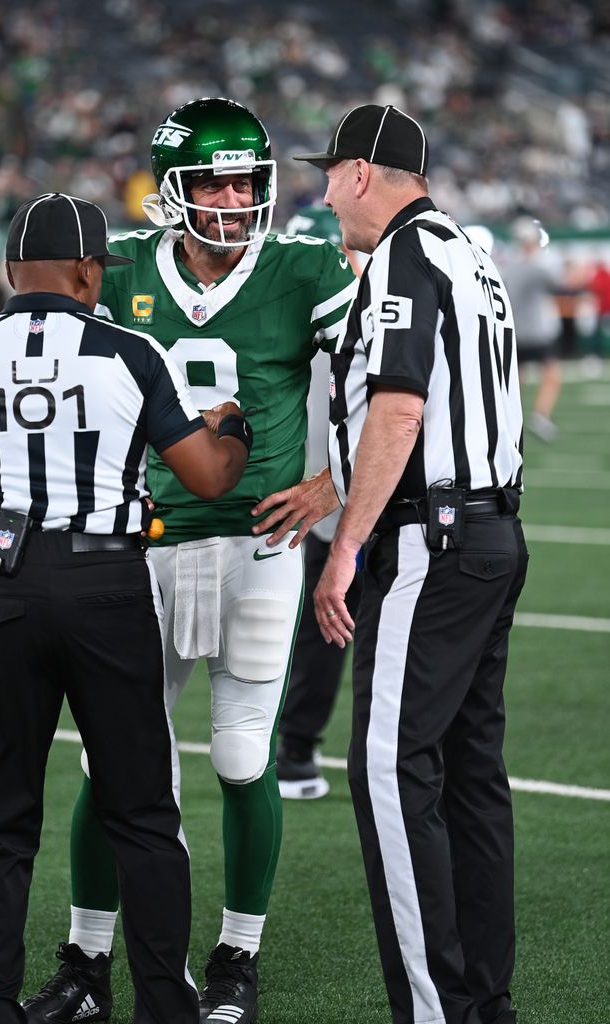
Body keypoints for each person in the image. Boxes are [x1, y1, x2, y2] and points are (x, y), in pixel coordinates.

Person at [23, 98, 357, 1024]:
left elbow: (383, 373)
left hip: (260, 543)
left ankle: (236, 957)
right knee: (110, 763)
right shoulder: (119, 265)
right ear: (172, 187)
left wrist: (331, 482)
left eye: (246, 179)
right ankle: (89, 959)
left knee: (245, 756)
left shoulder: (301, 268)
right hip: (141, 549)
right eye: (212, 178)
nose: (231, 195)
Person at [0, 191, 252, 1024]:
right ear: (87, 270)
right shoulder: (130, 351)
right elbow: (209, 477)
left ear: (7, 272)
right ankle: (162, 1007)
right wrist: (232, 425)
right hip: (107, 584)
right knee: (140, 808)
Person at [254, 104, 529, 1024]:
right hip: (488, 531)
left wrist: (345, 553)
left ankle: (436, 1009)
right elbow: (424, 410)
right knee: (469, 774)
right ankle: (484, 1001)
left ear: (364, 172)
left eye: (331, 173)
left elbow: (401, 410)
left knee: (387, 770)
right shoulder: (469, 253)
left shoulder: (406, 255)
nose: (324, 191)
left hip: (433, 542)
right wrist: (334, 488)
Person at [276, 204, 363, 799]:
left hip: (325, 486)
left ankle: (296, 747)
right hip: (317, 489)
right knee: (324, 622)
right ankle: (296, 749)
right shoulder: (339, 310)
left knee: (321, 622)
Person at [502, 216, 562, 441]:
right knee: (552, 373)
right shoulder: (534, 265)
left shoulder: (511, 265)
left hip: (516, 329)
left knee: (517, 378)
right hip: (536, 331)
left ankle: (508, 418)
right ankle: (541, 416)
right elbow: (558, 280)